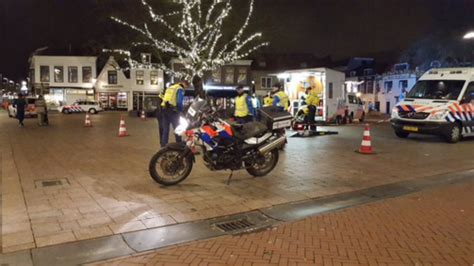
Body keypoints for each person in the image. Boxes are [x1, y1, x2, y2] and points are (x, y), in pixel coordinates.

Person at [160, 81, 187, 147]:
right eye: (186, 86)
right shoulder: (179, 88)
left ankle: (163, 146)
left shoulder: (170, 87)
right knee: (177, 128)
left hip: (164, 109)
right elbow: (179, 101)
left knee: (166, 129)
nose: (186, 87)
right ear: (184, 84)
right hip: (173, 110)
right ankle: (179, 144)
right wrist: (181, 111)